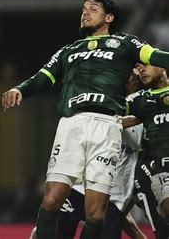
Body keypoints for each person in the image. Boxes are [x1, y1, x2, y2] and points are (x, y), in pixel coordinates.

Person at [2, 0, 169, 238]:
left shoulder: (125, 43)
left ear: (109, 16)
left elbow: (155, 57)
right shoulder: (69, 50)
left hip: (107, 126)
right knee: (51, 199)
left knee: (96, 214)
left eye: (93, 8)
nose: (85, 13)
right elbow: (43, 77)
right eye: (83, 10)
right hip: (72, 123)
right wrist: (19, 89)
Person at [29, 70, 147, 239]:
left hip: (113, 202)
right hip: (78, 189)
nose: (132, 75)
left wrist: (137, 234)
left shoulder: (146, 111)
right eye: (126, 71)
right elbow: (113, 122)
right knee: (49, 232)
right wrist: (140, 117)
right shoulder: (104, 103)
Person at [126, 63, 169, 238]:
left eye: (146, 64)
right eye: (138, 67)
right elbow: (110, 113)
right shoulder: (139, 99)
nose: (141, 69)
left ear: (163, 67)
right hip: (158, 168)